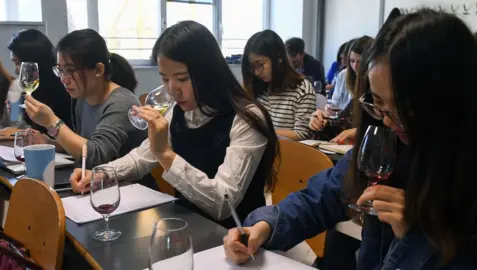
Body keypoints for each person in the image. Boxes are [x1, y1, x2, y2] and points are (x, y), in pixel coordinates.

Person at [223, 9, 477, 269]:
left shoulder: (464, 180)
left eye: (404, 108)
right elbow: (322, 196)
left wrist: (415, 236)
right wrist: (265, 226)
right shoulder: (385, 142)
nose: (387, 120)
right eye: (377, 103)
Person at [69, 21, 279, 229]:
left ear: (209, 72)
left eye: (182, 78)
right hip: (189, 226)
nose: (172, 91)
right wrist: (100, 173)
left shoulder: (246, 117)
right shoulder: (178, 112)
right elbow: (140, 158)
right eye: (164, 79)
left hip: (239, 242)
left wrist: (166, 155)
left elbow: (224, 203)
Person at [24, 29, 147, 170]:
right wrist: (50, 143)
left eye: (70, 70)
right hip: (96, 183)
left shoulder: (121, 102)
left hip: (129, 188)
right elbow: (84, 146)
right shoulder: (82, 99)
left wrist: (52, 123)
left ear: (98, 70)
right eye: (60, 70)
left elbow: (96, 157)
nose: (64, 79)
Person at [243, 30, 316, 141]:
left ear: (279, 57)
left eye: (260, 65)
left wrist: (262, 130)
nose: (257, 72)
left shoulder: (302, 89)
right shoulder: (259, 86)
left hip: (289, 153)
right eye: (252, 67)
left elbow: (302, 135)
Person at [8, 29, 74, 133]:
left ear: (34, 64)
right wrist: (19, 111)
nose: (16, 71)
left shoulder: (66, 89)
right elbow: (16, 120)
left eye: (18, 64)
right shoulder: (26, 88)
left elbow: (67, 135)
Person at [310, 36, 373, 144]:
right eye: (352, 61)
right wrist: (322, 121)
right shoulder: (358, 92)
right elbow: (341, 124)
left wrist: (357, 132)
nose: (355, 67)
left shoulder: (376, 92)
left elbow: (384, 131)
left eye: (360, 62)